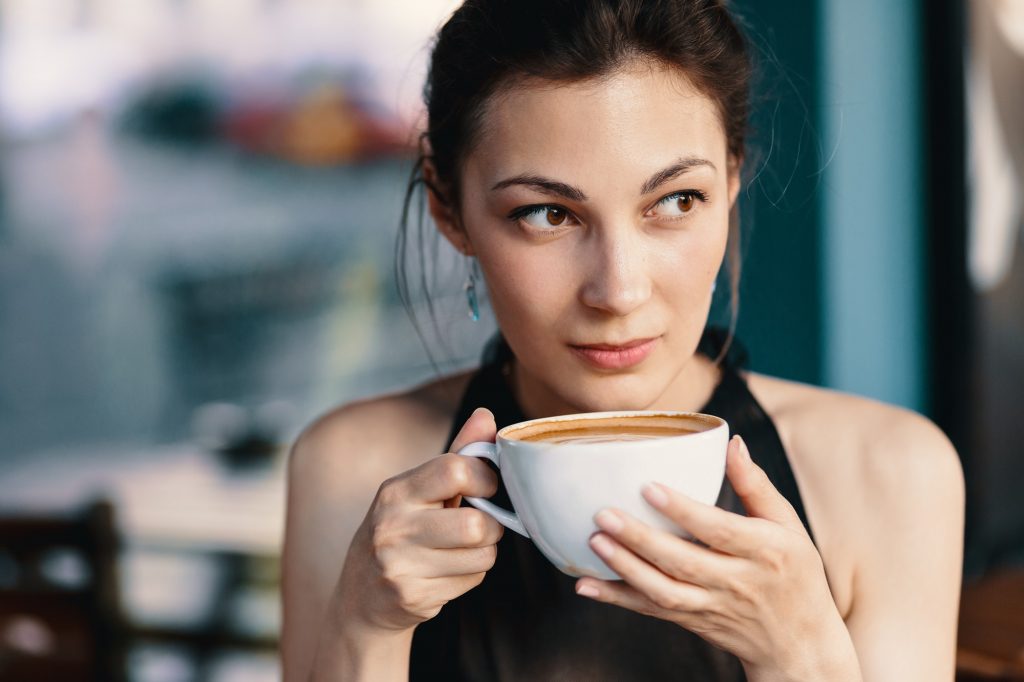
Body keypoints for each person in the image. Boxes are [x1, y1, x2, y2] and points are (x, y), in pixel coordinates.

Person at [281, 1, 964, 679]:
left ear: (730, 182)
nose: (619, 291)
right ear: (449, 211)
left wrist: (800, 654)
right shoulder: (351, 470)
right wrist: (365, 626)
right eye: (547, 214)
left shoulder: (887, 475)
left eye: (675, 202)